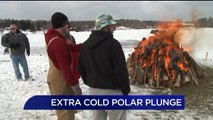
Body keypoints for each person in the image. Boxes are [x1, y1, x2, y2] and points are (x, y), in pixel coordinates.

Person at [78, 13, 130, 120]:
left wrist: (91, 83)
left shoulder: (85, 45)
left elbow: (81, 69)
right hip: (113, 93)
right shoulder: (113, 45)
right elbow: (121, 71)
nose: (114, 28)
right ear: (106, 27)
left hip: (94, 92)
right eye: (112, 25)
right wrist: (125, 91)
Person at [44, 12, 82, 120]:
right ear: (64, 25)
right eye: (67, 24)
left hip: (58, 77)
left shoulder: (56, 38)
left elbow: (70, 48)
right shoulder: (58, 42)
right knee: (66, 114)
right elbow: (65, 67)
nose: (69, 27)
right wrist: (75, 86)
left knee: (64, 112)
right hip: (60, 80)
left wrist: (86, 46)